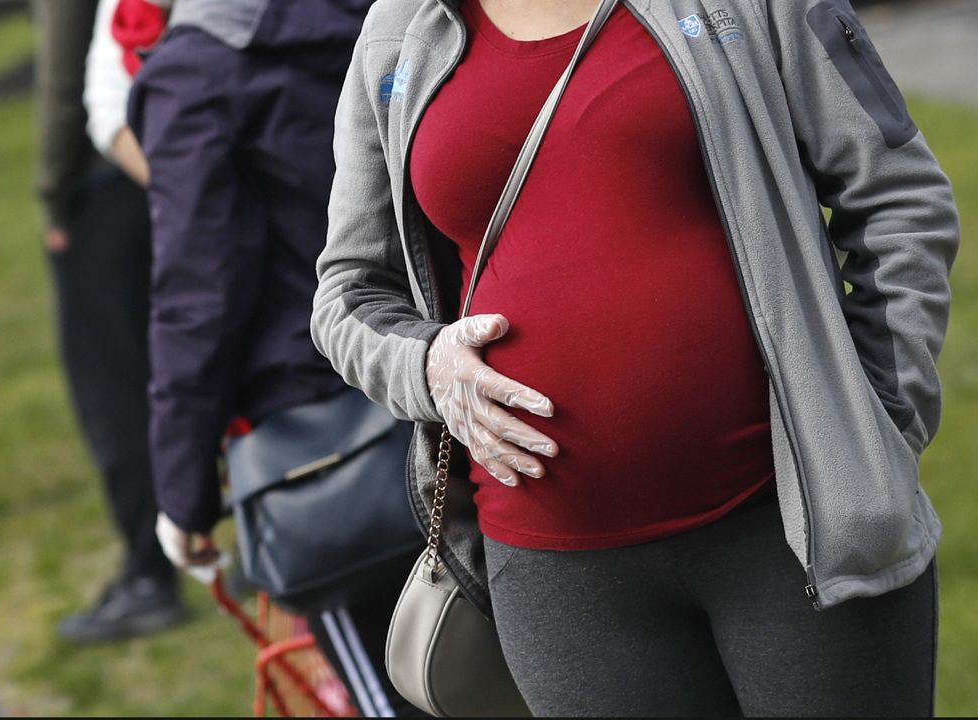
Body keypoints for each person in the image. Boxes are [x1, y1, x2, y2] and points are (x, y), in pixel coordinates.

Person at [312, 0, 959, 715]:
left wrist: (883, 422)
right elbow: (347, 291)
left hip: (795, 529)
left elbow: (898, 196)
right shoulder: (400, 31)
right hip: (559, 576)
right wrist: (427, 367)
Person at [125, 1, 423, 714]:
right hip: (458, 364)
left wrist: (181, 491)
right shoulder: (385, 14)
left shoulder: (195, 74)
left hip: (324, 432)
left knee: (404, 688)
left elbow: (198, 297)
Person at [31, 0, 184, 644]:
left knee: (115, 390)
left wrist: (53, 194)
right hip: (160, 157)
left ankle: (149, 573)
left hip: (111, 181)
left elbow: (66, 78)